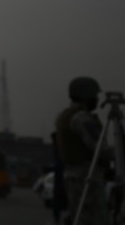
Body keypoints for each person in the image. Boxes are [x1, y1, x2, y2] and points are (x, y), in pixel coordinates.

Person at [55, 76, 110, 225]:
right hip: (86, 177)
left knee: (79, 217)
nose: (97, 100)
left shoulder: (66, 115)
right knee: (94, 219)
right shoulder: (81, 118)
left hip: (75, 176)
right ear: (87, 96)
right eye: (95, 96)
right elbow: (100, 148)